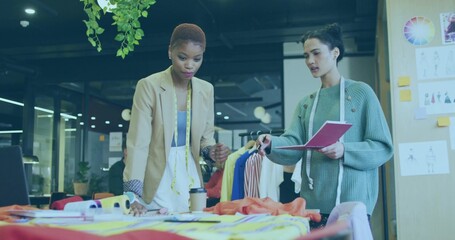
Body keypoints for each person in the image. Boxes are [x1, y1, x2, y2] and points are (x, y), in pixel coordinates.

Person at [256, 23, 393, 229]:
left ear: (335, 52)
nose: (310, 61)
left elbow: (382, 147)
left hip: (352, 205)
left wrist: (344, 149)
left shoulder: (361, 93)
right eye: (306, 55)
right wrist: (271, 144)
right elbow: (294, 143)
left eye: (316, 53)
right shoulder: (306, 103)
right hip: (313, 207)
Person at [124, 23, 230, 216]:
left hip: (190, 176)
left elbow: (205, 138)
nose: (190, 65)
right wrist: (132, 195)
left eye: (197, 59)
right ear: (169, 52)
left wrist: (212, 152)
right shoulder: (149, 86)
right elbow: (138, 144)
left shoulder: (206, 90)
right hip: (157, 177)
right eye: (182, 57)